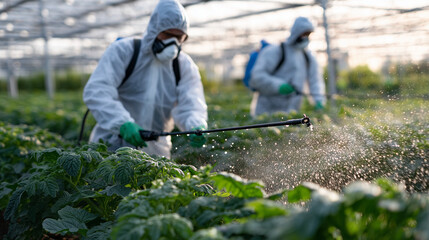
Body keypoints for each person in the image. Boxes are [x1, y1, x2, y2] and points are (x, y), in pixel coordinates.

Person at [83, 0, 207, 159]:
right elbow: (98, 91)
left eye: (179, 38)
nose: (173, 43)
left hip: (156, 155)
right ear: (154, 29)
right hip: (111, 147)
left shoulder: (184, 65)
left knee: (154, 183)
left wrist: (195, 124)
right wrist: (122, 124)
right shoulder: (124, 51)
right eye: (168, 35)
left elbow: (192, 103)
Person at [249, 16, 326, 117]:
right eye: (304, 34)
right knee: (266, 131)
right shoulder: (275, 51)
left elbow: (315, 80)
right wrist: (278, 86)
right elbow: (257, 76)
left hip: (291, 112)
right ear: (296, 33)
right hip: (266, 111)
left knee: (287, 131)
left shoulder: (308, 57)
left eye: (308, 34)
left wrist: (318, 100)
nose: (306, 37)